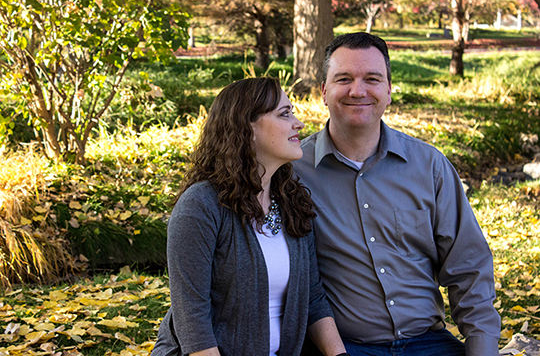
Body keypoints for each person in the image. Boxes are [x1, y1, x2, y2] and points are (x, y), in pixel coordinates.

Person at [294, 32, 501, 356]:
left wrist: (482, 350)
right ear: (323, 91)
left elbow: (469, 267)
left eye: (372, 79)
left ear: (389, 91)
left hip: (428, 343)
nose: (357, 90)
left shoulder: (428, 166)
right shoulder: (294, 172)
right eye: (343, 79)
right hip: (345, 346)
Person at [151, 77, 348, 356]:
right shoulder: (201, 206)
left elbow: (313, 297)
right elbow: (191, 316)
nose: (298, 124)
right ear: (247, 127)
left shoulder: (292, 201)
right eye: (284, 114)